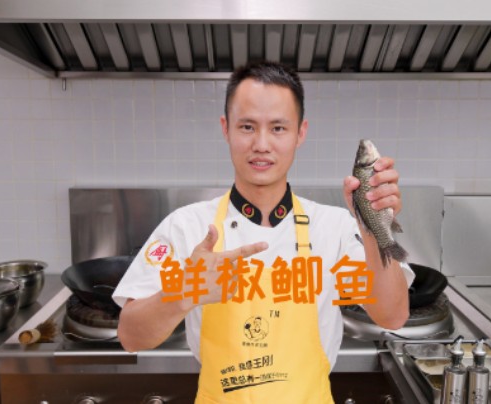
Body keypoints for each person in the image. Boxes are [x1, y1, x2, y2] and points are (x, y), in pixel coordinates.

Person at [113, 61, 414, 403]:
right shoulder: (187, 226)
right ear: (226, 129)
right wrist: (185, 290)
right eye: (247, 126)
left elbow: (392, 315)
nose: (261, 144)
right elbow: (130, 336)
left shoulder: (335, 229)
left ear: (300, 133)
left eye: (278, 128)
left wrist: (371, 225)